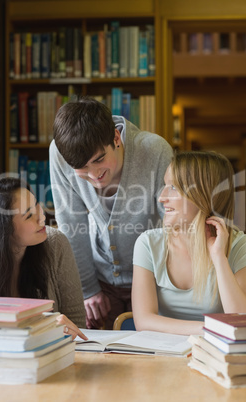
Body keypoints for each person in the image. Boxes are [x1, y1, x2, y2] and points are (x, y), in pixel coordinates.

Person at [49, 96, 173, 329]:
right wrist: (87, 289)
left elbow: (172, 223)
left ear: (116, 137)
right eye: (82, 168)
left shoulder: (155, 151)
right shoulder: (59, 152)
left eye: (99, 160)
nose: (94, 174)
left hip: (155, 280)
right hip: (100, 281)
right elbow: (71, 224)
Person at [132, 150, 246, 335]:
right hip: (163, 356)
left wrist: (219, 258)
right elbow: (143, 321)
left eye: (173, 187)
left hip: (217, 357)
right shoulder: (148, 244)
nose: (162, 197)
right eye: (165, 185)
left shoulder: (239, 246)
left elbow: (243, 321)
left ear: (204, 196)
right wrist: (209, 329)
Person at [0, 176, 87, 340]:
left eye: (37, 204)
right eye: (29, 214)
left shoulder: (55, 244)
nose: (42, 217)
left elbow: (78, 323)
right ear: (3, 230)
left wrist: (61, 330)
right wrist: (44, 327)